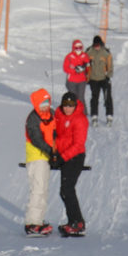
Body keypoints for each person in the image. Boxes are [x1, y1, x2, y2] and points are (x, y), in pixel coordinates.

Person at [22, 88, 59, 236]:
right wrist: (50, 151)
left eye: (47, 102)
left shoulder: (52, 114)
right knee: (37, 189)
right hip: (37, 156)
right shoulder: (33, 118)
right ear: (36, 104)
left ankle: (39, 220)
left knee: (43, 189)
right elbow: (37, 139)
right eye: (41, 103)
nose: (45, 106)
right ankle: (32, 223)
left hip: (47, 156)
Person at [54, 90, 89, 236]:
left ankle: (77, 222)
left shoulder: (80, 119)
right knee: (64, 191)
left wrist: (63, 157)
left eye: (71, 105)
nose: (68, 108)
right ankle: (73, 221)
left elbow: (78, 144)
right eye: (65, 105)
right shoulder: (59, 115)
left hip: (75, 157)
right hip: (63, 155)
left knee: (67, 190)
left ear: (75, 105)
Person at [86, 34, 114, 124]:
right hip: (93, 79)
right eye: (95, 45)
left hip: (103, 78)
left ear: (101, 44)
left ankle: (109, 115)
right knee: (94, 98)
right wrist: (87, 77)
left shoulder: (106, 53)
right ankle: (94, 115)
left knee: (107, 97)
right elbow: (85, 64)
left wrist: (108, 76)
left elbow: (110, 65)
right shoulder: (89, 52)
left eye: (98, 45)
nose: (96, 47)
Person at [62, 38, 90, 102]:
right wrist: (75, 70)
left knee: (81, 99)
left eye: (80, 47)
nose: (78, 49)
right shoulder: (69, 56)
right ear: (73, 48)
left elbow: (88, 65)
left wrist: (84, 67)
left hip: (82, 80)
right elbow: (65, 68)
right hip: (72, 81)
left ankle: (83, 112)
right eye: (76, 48)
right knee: (73, 98)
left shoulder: (84, 55)